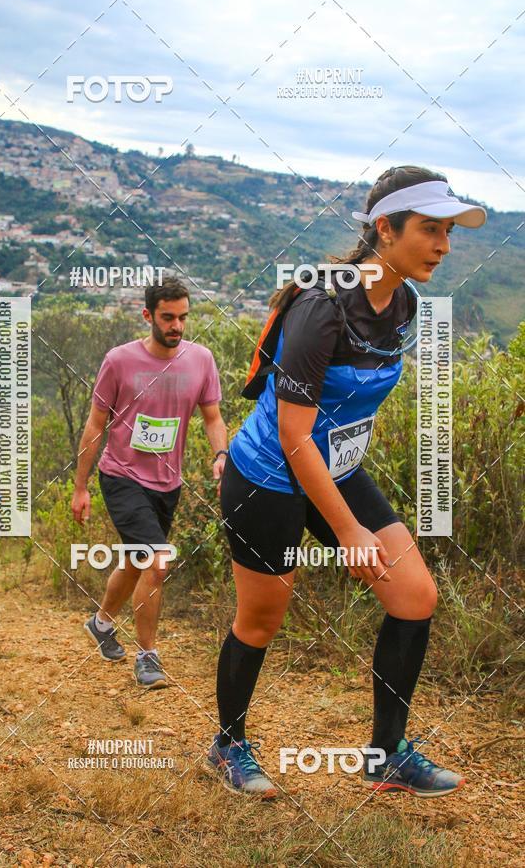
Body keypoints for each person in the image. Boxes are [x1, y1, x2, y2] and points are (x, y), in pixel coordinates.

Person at [206, 166, 487, 799]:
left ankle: (385, 755)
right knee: (261, 618)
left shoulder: (404, 302)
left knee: (415, 596)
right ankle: (228, 746)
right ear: (384, 229)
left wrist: (351, 502)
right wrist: (348, 529)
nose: (444, 245)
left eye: (449, 232)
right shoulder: (322, 307)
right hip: (268, 478)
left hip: (336, 470)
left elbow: (349, 410)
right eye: (431, 229)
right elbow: (293, 434)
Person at [71, 277, 228, 689]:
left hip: (167, 482)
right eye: (167, 318)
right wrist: (81, 487)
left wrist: (221, 455)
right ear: (148, 316)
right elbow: (94, 425)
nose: (177, 326)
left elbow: (213, 418)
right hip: (121, 475)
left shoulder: (201, 360)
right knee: (156, 561)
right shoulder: (119, 361)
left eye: (183, 317)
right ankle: (148, 657)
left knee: (135, 560)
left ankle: (101, 623)